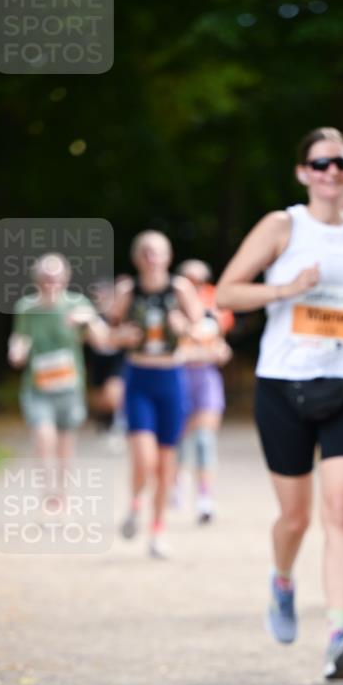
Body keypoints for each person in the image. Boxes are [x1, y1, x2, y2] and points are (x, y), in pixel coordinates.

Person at [217, 126, 343, 680]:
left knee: (341, 510)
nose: (332, 171)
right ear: (303, 172)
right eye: (321, 162)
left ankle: (339, 636)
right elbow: (227, 292)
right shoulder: (283, 226)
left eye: (341, 162)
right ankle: (282, 581)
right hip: (283, 385)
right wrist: (285, 290)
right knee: (296, 517)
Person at [112, 231, 204, 559]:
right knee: (143, 457)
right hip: (139, 377)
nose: (152, 259)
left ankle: (156, 531)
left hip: (171, 378)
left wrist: (186, 329)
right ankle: (135, 503)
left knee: (167, 465)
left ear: (168, 257)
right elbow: (110, 334)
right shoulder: (128, 291)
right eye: (146, 253)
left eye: (158, 253)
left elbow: (206, 329)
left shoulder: (179, 289)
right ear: (137, 258)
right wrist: (120, 335)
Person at [8, 253, 109, 505]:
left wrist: (91, 319)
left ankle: (62, 499)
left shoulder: (77, 304)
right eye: (46, 277)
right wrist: (16, 351)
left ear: (65, 279)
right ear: (36, 280)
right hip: (37, 387)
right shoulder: (26, 308)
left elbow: (102, 341)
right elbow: (19, 339)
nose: (51, 282)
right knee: (44, 438)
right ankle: (46, 495)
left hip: (69, 387)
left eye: (56, 277)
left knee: (65, 446)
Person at [174, 259, 234, 523]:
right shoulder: (171, 311)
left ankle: (205, 498)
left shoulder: (213, 313)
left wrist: (215, 352)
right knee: (178, 441)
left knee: (204, 441)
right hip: (178, 380)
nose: (194, 286)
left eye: (199, 281)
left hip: (206, 381)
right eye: (189, 280)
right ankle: (176, 484)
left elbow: (221, 349)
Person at [86, 278, 126, 449]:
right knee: (100, 399)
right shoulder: (91, 316)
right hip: (97, 362)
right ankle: (105, 425)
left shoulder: (120, 314)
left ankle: (119, 427)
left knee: (114, 394)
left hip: (117, 361)